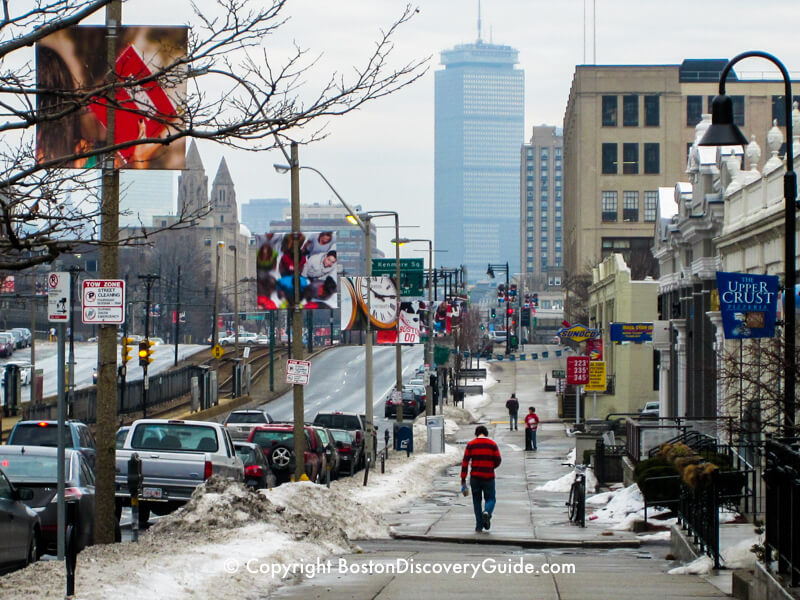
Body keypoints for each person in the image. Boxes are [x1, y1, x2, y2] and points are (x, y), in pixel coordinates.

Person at [460, 425, 502, 532]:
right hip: (489, 476)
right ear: (486, 433)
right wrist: (491, 467)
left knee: (476, 501)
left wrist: (463, 478)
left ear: (476, 434)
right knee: (491, 498)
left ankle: (479, 526)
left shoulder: (471, 444)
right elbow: (498, 459)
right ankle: (487, 511)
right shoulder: (492, 444)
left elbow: (465, 462)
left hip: (475, 477)